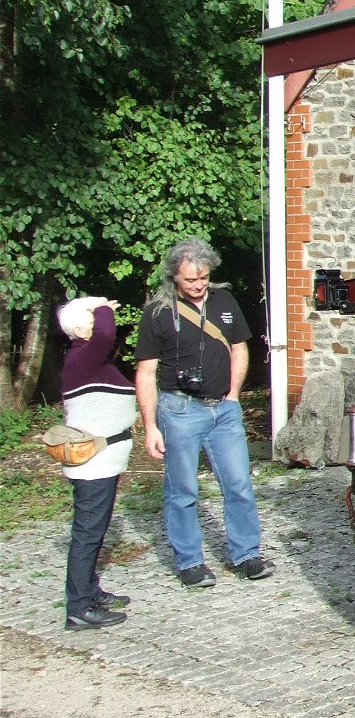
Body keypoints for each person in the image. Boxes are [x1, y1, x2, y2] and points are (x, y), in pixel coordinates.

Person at [134, 238, 274, 587]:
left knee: (239, 484)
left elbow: (240, 348)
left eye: (204, 278)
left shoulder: (224, 300)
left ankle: (247, 555)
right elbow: (146, 373)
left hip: (223, 410)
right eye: (190, 280)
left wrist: (234, 395)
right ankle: (190, 563)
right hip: (179, 409)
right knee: (182, 490)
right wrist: (150, 426)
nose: (198, 286)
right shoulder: (157, 312)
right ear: (173, 276)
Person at [57, 296, 138, 630]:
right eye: (91, 319)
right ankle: (78, 608)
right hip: (94, 463)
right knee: (88, 532)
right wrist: (101, 304)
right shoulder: (83, 357)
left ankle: (88, 591)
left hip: (101, 460)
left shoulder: (86, 360)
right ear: (79, 330)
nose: (101, 323)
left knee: (94, 529)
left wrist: (96, 309)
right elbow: (105, 335)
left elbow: (103, 335)